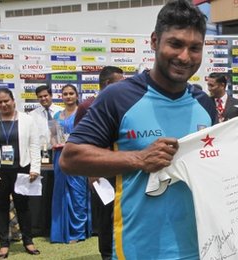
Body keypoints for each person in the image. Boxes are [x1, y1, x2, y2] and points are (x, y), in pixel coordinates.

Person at [59, 1, 216, 258]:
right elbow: (70, 158)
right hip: (138, 249)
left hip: (201, 248)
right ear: (155, 41)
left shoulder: (204, 104)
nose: (185, 56)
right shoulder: (119, 97)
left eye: (195, 48)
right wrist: (138, 158)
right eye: (175, 44)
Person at [0, 88, 41, 259]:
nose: (3, 104)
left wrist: (35, 168)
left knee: (23, 207)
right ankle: (4, 244)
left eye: (6, 101)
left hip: (22, 170)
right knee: (0, 207)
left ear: (13, 100)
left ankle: (28, 241)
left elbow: (34, 145)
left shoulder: (28, 120)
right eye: (0, 102)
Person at [73, 66, 124, 260]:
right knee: (105, 217)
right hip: (101, 171)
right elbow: (80, 143)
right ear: (108, 84)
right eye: (121, 82)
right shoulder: (87, 106)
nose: (125, 86)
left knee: (123, 213)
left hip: (124, 167)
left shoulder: (125, 104)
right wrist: (91, 172)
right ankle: (106, 255)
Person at [50, 84, 91, 243]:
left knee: (78, 193)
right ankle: (61, 231)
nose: (68, 96)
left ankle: (78, 232)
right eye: (65, 94)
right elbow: (52, 135)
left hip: (77, 155)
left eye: (71, 93)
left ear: (76, 95)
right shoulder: (57, 115)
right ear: (61, 96)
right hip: (60, 155)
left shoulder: (82, 113)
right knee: (61, 193)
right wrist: (55, 142)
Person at [29, 85, 63, 151]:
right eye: (40, 97)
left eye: (45, 96)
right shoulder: (32, 115)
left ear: (51, 95)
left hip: (59, 150)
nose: (43, 98)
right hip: (40, 151)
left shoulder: (61, 112)